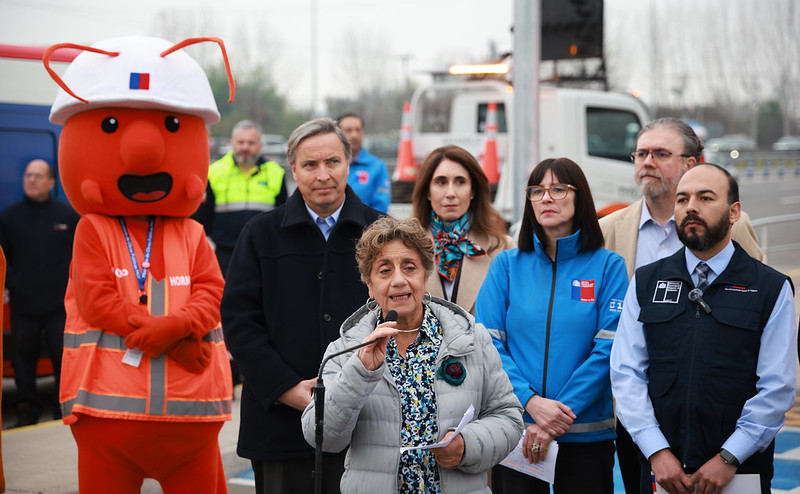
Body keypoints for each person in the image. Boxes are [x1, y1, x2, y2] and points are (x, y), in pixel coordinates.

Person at [598, 117, 763, 494]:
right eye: (641, 153)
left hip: (720, 417)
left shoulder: (733, 226)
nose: (647, 162)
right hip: (638, 419)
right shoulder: (610, 229)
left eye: (660, 153)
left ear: (692, 163)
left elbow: (759, 310)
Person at [610, 163, 796, 494]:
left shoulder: (770, 288)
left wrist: (730, 456)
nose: (691, 207)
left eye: (705, 197)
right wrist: (656, 450)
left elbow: (777, 386)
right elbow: (627, 374)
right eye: (682, 199)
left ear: (734, 211)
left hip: (740, 472)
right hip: (661, 470)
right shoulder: (646, 282)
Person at [301, 216, 523, 493]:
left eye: (409, 267)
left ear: (425, 276)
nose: (398, 280)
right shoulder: (346, 349)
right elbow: (321, 436)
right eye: (384, 271)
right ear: (368, 284)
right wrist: (360, 371)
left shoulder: (470, 339)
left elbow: (509, 417)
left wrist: (468, 445)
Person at [221, 117, 383, 494]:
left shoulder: (381, 232)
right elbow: (240, 322)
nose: (323, 174)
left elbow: (399, 316)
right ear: (293, 168)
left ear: (348, 164)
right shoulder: (260, 234)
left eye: (333, 162)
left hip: (366, 424)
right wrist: (288, 389)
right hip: (279, 425)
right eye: (310, 165)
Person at [476, 158, 629, 493]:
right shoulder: (506, 265)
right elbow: (488, 345)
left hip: (586, 435)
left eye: (558, 189)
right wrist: (530, 403)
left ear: (580, 198)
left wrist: (557, 417)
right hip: (516, 432)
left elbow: (610, 348)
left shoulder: (609, 267)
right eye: (537, 190)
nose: (546, 198)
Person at [0, 159, 80, 427]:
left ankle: (63, 410)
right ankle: (27, 410)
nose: (31, 180)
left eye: (38, 176)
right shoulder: (9, 217)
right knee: (23, 361)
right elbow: (3, 259)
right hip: (24, 307)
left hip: (60, 308)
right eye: (28, 175)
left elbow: (81, 258)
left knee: (64, 360)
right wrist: (15, 283)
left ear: (51, 182)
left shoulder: (68, 216)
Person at [411, 145, 514, 314]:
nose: (450, 193)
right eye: (441, 182)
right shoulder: (407, 248)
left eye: (460, 182)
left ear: (473, 191)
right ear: (427, 192)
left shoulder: (503, 248)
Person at [193, 119, 288, 275]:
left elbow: (283, 215)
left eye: (251, 143)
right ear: (232, 143)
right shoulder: (214, 172)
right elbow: (202, 216)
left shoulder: (276, 173)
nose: (245, 147)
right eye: (241, 142)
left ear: (260, 146)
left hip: (264, 254)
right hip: (224, 254)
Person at [337, 113, 391, 213]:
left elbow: (381, 204)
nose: (354, 135)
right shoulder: (328, 165)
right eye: (348, 130)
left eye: (358, 130)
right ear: (338, 134)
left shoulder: (377, 166)